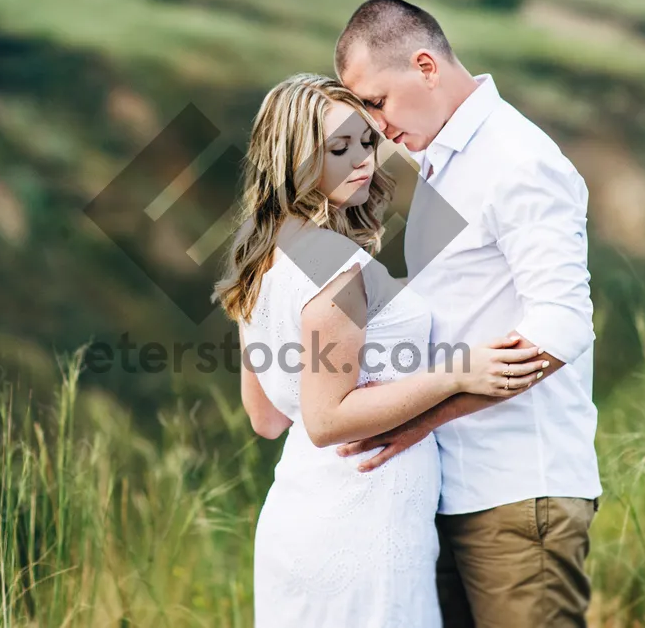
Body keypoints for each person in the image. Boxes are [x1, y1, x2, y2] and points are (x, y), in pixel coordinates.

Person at [213, 73, 548, 628]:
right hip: (363, 520)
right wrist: (457, 374)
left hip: (301, 513)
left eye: (367, 141)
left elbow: (269, 418)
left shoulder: (261, 257)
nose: (364, 159)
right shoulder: (335, 267)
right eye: (338, 148)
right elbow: (325, 420)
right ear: (291, 157)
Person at [335, 0, 602, 627]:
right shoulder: (439, 164)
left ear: (425, 66)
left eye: (376, 102)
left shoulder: (519, 161)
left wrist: (429, 415)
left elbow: (563, 320)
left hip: (518, 490)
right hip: (447, 485)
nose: (373, 126)